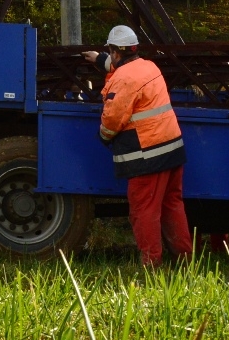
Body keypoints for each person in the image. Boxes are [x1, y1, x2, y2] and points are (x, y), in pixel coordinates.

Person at [81, 25, 192, 266]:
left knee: (144, 211)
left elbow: (112, 119)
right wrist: (99, 59)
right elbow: (124, 71)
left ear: (116, 52)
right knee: (172, 204)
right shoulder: (148, 66)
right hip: (172, 148)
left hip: (148, 155)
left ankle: (151, 264)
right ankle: (184, 259)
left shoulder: (123, 78)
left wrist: (103, 136)